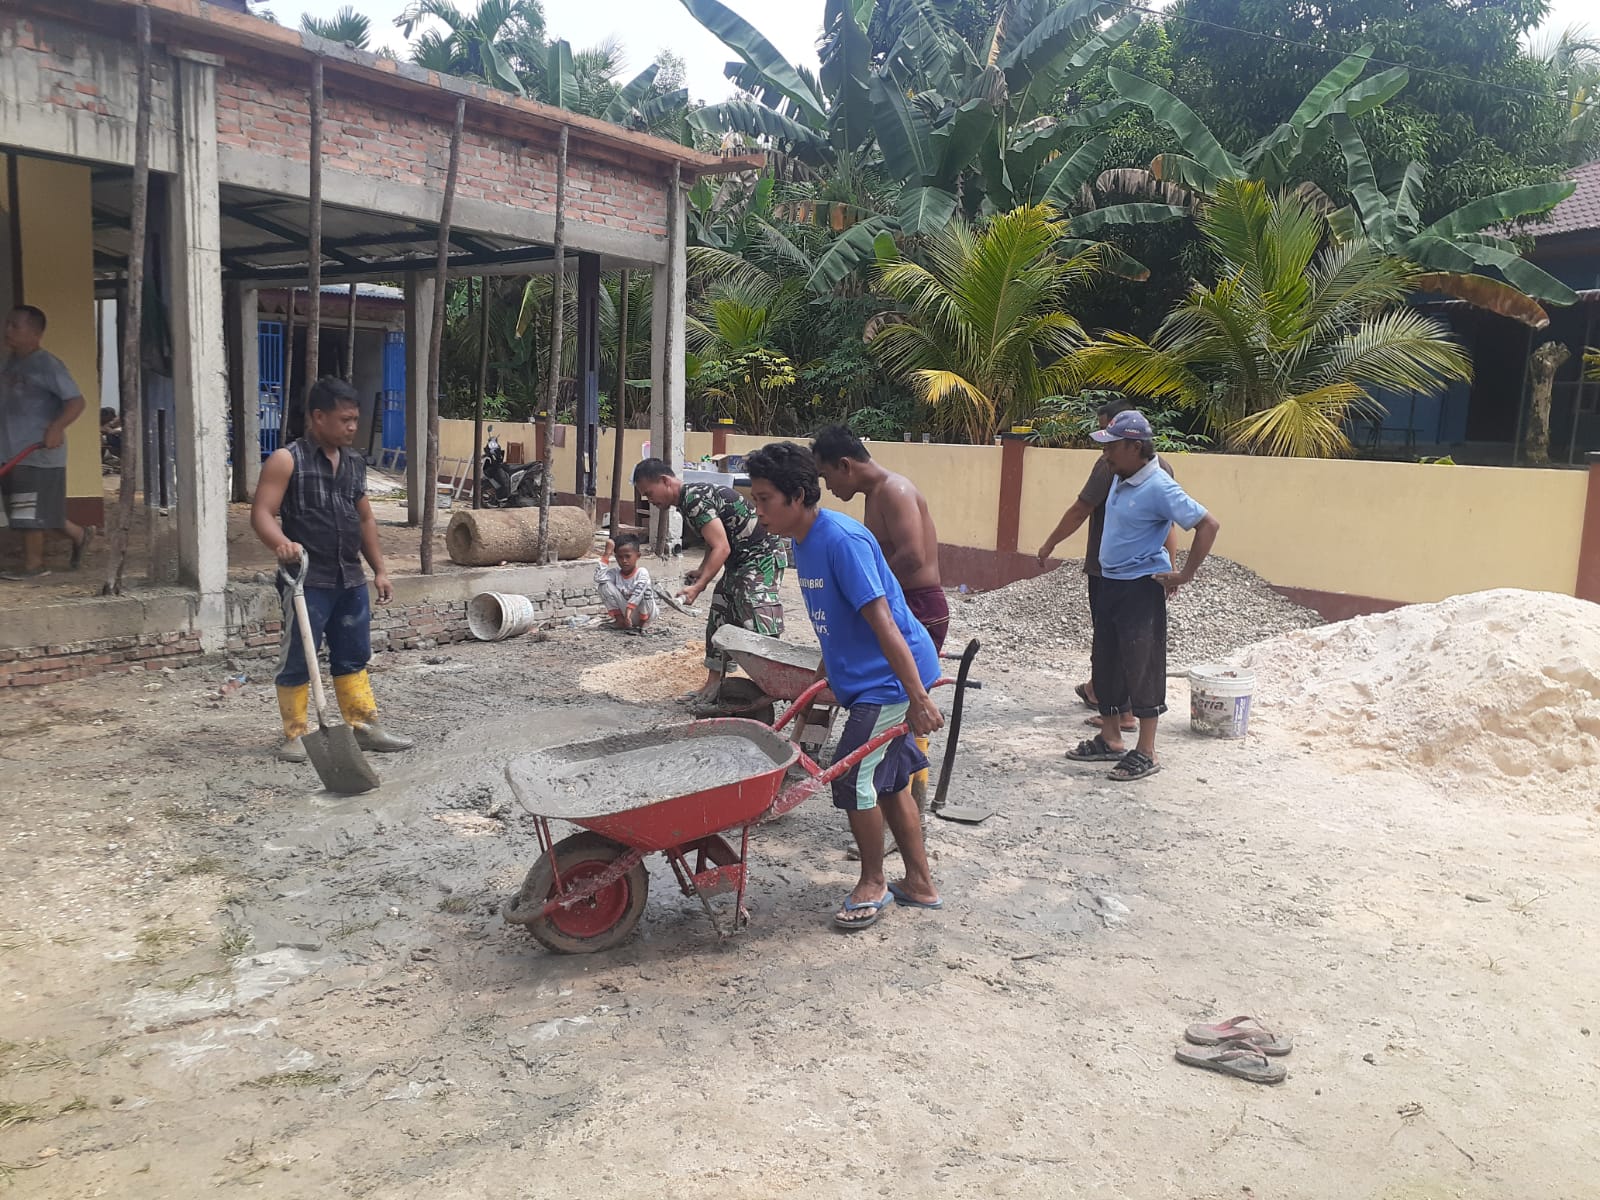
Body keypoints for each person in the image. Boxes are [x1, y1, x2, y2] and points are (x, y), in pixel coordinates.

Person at [744, 440, 944, 930]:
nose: (758, 510)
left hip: (890, 680)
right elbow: (830, 618)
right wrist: (821, 674)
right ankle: (919, 883)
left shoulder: (841, 540)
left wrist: (917, 697)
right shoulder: (802, 541)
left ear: (796, 495)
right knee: (891, 781)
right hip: (864, 676)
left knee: (853, 778)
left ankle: (873, 882)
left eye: (765, 499)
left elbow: (884, 622)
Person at [251, 376, 413, 763]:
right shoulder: (287, 460)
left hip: (349, 577)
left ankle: (362, 726)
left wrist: (380, 570)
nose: (353, 427)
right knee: (298, 656)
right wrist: (281, 544)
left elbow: (366, 521)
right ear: (318, 417)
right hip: (306, 578)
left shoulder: (355, 463)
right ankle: (296, 734)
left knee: (353, 653)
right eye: (345, 419)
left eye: (355, 419)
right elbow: (261, 513)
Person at [1064, 411, 1219, 781]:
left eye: (1113, 447)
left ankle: (1146, 750)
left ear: (1135, 447)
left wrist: (1184, 573)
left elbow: (1207, 524)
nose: (1106, 455)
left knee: (1142, 665)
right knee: (1107, 660)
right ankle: (1110, 737)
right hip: (1111, 582)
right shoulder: (1121, 476)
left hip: (1140, 587)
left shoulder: (1159, 486)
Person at [811, 423, 946, 837]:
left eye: (826, 476)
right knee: (891, 732)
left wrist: (867, 598)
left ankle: (901, 819)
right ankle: (901, 823)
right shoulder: (875, 494)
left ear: (845, 465)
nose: (827, 487)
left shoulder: (894, 491)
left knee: (897, 715)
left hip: (915, 607)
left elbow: (910, 557)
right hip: (901, 604)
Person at [1036, 397, 1178, 735]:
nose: (1105, 448)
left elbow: (1080, 509)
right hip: (1132, 573)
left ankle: (1124, 716)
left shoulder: (1115, 469)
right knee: (1119, 645)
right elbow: (1169, 526)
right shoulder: (1159, 468)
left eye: (1108, 436)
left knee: (1119, 646)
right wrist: (1171, 567)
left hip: (1118, 576)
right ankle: (1109, 713)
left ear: (1130, 444)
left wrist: (1050, 542)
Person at [631, 457, 786, 702]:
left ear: (665, 481)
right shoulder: (689, 499)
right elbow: (713, 542)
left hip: (761, 557)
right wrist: (702, 570)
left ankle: (774, 685)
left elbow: (721, 548)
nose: (651, 501)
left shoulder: (694, 499)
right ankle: (713, 687)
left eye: (650, 494)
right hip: (740, 561)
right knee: (720, 614)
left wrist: (699, 587)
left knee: (756, 613)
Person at [0, 305, 94, 579]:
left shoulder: (48, 364)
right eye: (7, 324)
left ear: (36, 333)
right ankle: (80, 534)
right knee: (30, 509)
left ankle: (34, 566)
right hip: (11, 450)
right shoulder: (11, 363)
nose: (8, 331)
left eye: (15, 326)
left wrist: (57, 427)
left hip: (37, 452)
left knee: (30, 510)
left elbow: (76, 401)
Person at [595, 533, 658, 632]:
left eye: (628, 556)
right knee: (603, 585)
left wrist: (629, 612)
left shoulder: (642, 572)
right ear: (616, 558)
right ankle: (620, 621)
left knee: (645, 588)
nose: (624, 561)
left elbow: (638, 594)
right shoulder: (615, 573)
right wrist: (607, 554)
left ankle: (644, 622)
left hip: (646, 612)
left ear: (638, 556)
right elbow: (598, 578)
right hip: (627, 616)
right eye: (620, 557)